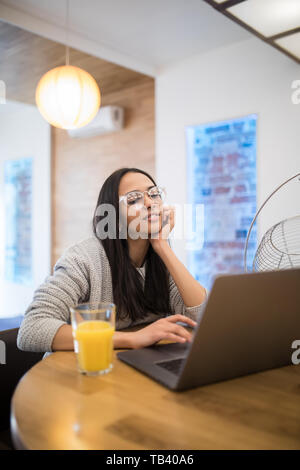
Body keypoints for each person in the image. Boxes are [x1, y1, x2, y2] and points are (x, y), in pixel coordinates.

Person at [17, 167, 208, 353]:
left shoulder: (158, 255)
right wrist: (132, 339)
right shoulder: (84, 259)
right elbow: (32, 328)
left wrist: (162, 246)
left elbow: (203, 316)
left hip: (132, 365)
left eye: (154, 193)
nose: (150, 203)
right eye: (134, 199)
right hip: (78, 369)